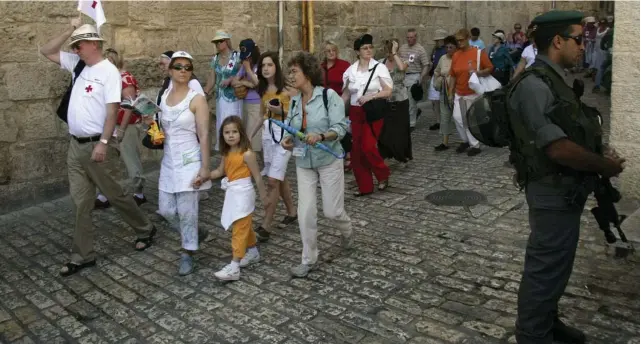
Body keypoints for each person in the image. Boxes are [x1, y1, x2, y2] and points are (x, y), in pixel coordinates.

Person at [506, 10, 626, 344]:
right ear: (557, 41)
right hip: (551, 192)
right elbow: (556, 148)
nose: (582, 45)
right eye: (577, 38)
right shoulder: (533, 84)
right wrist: (604, 166)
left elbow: (571, 129)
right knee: (545, 269)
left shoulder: (554, 78)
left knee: (558, 267)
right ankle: (532, 334)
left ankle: (547, 322)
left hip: (566, 191)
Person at [40, 20, 157, 277]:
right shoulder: (77, 64)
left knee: (115, 195)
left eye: (79, 44)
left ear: (93, 44)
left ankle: (145, 228)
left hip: (98, 144)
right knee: (82, 203)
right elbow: (46, 50)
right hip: (76, 145)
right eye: (75, 45)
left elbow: (113, 110)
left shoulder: (108, 72)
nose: (76, 49)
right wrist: (69, 31)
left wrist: (104, 143)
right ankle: (82, 255)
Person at [281, 52, 352, 278]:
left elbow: (341, 127)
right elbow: (290, 128)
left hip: (328, 158)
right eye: (289, 72)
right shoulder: (293, 101)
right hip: (304, 161)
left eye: (294, 71)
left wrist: (321, 136)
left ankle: (347, 231)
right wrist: (288, 140)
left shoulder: (328, 96)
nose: (290, 76)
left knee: (332, 211)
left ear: (308, 73)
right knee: (306, 212)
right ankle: (308, 259)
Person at [154, 51, 211, 275]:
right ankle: (194, 233)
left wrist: (205, 167)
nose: (183, 71)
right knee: (166, 210)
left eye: (188, 67)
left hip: (189, 158)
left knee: (187, 211)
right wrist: (151, 122)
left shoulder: (197, 99)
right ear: (170, 70)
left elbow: (205, 134)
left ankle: (188, 251)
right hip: (169, 159)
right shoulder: (164, 96)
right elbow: (159, 126)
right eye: (178, 67)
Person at [199, 116, 268, 281]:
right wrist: (204, 177)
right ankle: (252, 252)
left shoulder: (247, 154)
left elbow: (257, 177)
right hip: (233, 194)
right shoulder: (226, 153)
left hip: (244, 193)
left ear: (241, 133)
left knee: (239, 228)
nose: (230, 135)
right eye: (226, 132)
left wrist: (264, 197)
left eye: (234, 132)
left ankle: (235, 266)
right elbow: (219, 172)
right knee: (243, 225)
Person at [252, 51, 298, 242]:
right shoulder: (263, 90)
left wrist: (282, 110)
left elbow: (298, 115)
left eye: (269, 65)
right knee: (279, 176)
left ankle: (266, 225)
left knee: (272, 181)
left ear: (276, 67)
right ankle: (292, 212)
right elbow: (262, 115)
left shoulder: (288, 89)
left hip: (284, 139)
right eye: (263, 66)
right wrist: (249, 135)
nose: (266, 69)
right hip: (267, 137)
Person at [94, 48, 147, 209]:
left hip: (127, 125)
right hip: (112, 124)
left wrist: (122, 129)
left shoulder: (125, 78)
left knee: (130, 160)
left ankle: (139, 193)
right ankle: (106, 193)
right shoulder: (109, 78)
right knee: (109, 161)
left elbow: (130, 105)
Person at [343, 34, 393, 196]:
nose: (368, 50)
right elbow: (345, 95)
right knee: (356, 151)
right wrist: (334, 110)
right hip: (355, 112)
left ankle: (383, 174)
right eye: (365, 48)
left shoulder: (379, 68)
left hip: (372, 112)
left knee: (368, 146)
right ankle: (365, 187)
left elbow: (388, 91)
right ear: (357, 51)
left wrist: (371, 96)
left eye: (370, 47)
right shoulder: (350, 71)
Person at [448, 28, 494, 157]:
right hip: (459, 92)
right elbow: (452, 75)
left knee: (469, 119)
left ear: (468, 38)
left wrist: (478, 72)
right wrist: (450, 92)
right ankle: (466, 141)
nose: (459, 43)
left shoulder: (478, 53)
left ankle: (475, 145)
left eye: (461, 40)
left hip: (473, 92)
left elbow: (490, 68)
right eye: (457, 41)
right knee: (458, 118)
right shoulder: (456, 55)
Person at [204, 31, 243, 151]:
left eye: (220, 41)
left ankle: (237, 150)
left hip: (234, 97)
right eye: (216, 42)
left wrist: (231, 79)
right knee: (222, 123)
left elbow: (243, 73)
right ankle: (225, 151)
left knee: (234, 122)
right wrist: (204, 93)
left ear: (226, 41)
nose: (217, 44)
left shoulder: (237, 56)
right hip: (220, 99)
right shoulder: (215, 58)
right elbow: (212, 79)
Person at [378, 38, 412, 164]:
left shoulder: (403, 61)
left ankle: (401, 155)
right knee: (385, 130)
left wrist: (395, 53)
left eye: (390, 51)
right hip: (385, 100)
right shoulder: (380, 63)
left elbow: (402, 68)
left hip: (400, 100)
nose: (389, 55)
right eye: (387, 52)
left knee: (400, 130)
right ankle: (386, 154)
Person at [321, 41, 352, 171]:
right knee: (328, 128)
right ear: (324, 53)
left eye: (333, 50)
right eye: (328, 51)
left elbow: (349, 84)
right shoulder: (320, 67)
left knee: (342, 128)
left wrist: (342, 100)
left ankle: (348, 155)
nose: (331, 53)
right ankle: (334, 155)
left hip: (341, 101)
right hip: (324, 102)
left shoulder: (344, 66)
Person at [233, 39, 262, 151]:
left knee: (254, 141)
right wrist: (247, 83)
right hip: (245, 104)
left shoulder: (260, 65)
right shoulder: (244, 65)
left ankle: (259, 166)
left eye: (248, 56)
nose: (246, 59)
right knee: (247, 138)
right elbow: (235, 81)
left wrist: (248, 70)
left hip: (257, 105)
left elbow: (258, 84)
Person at [399, 28, 430, 130]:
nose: (409, 39)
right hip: (403, 76)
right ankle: (414, 113)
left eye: (411, 37)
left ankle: (411, 123)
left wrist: (421, 78)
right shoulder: (402, 48)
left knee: (411, 102)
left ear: (416, 37)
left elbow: (426, 65)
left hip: (414, 76)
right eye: (408, 37)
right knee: (404, 100)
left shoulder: (420, 49)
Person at [432, 35, 457, 151]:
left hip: (457, 92)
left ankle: (468, 141)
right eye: (447, 47)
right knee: (445, 116)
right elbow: (437, 71)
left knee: (460, 117)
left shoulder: (459, 58)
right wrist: (438, 79)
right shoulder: (442, 58)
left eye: (451, 47)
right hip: (444, 91)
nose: (448, 49)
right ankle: (445, 142)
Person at [426, 29, 448, 131]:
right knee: (434, 101)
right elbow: (432, 62)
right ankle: (438, 121)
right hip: (435, 76)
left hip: (443, 77)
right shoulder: (435, 50)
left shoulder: (446, 51)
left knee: (442, 101)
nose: (437, 42)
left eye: (439, 40)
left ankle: (443, 121)